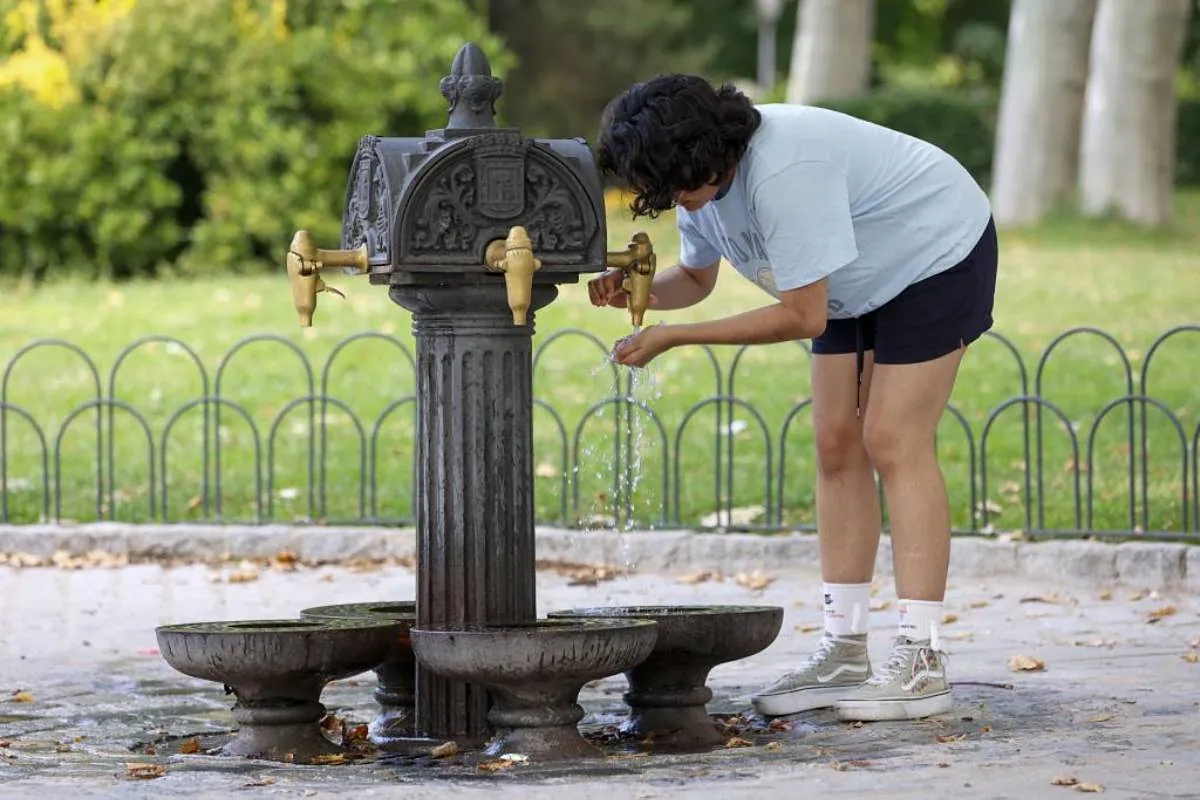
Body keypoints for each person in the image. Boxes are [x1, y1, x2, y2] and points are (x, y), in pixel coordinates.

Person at [587, 74, 998, 723]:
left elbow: (804, 314)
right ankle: (844, 647)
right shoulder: (703, 186)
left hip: (933, 251)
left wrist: (677, 336)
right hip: (848, 276)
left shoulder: (784, 171)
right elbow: (695, 277)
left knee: (892, 437)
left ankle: (922, 658)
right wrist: (638, 291)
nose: (670, 203)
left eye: (670, 187)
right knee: (836, 442)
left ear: (700, 158)